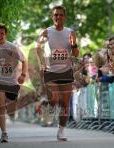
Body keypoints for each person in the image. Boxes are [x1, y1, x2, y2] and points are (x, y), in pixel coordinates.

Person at [36, 6, 79, 141]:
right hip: (50, 71)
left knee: (65, 105)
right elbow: (38, 47)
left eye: (60, 15)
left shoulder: (70, 32)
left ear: (64, 17)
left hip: (66, 71)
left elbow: (76, 54)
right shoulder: (46, 32)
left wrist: (73, 45)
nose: (58, 17)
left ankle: (61, 130)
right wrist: (41, 63)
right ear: (52, 16)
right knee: (54, 100)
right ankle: (50, 106)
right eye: (55, 15)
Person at [0, 23, 27, 143]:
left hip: (12, 83)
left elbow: (24, 61)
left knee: (10, 108)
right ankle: (4, 133)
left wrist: (23, 74)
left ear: (6, 34)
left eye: (2, 33)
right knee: (1, 107)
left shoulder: (13, 48)